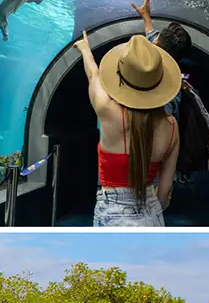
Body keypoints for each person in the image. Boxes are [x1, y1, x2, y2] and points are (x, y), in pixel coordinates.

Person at [74, 31, 181, 227]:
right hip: (152, 214)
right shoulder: (171, 127)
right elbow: (165, 191)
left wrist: (84, 48)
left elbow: (93, 75)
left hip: (112, 214)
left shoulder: (107, 109)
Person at [131, 0, 192, 121]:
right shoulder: (167, 51)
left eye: (155, 41)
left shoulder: (169, 97)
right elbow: (151, 34)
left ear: (157, 46)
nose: (152, 41)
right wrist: (146, 16)